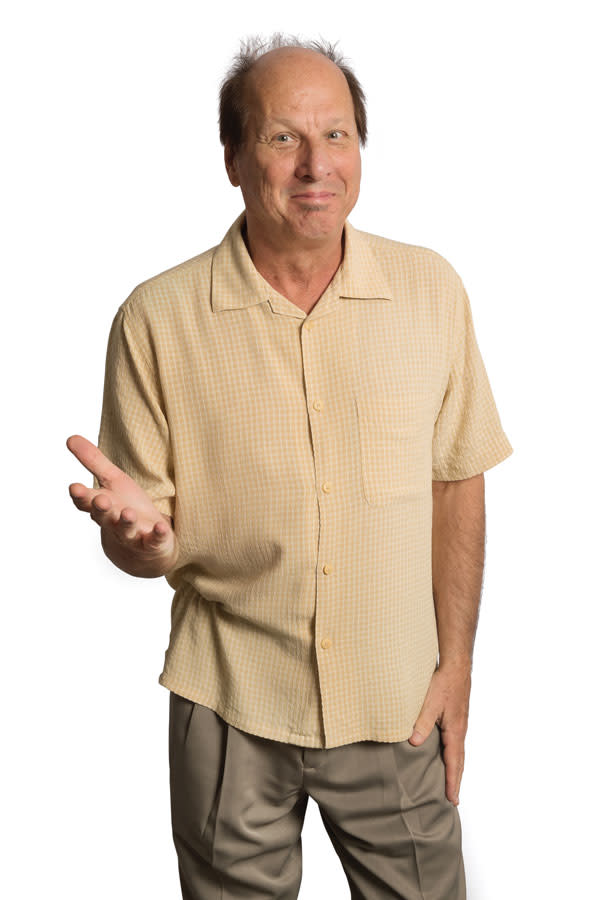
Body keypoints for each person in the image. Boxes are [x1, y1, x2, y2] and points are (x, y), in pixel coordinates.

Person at [67, 34, 513, 900]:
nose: (317, 165)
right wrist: (142, 544)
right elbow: (142, 534)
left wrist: (456, 664)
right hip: (229, 704)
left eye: (337, 135)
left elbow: (457, 478)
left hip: (397, 708)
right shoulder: (157, 318)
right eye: (282, 139)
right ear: (233, 157)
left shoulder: (431, 292)